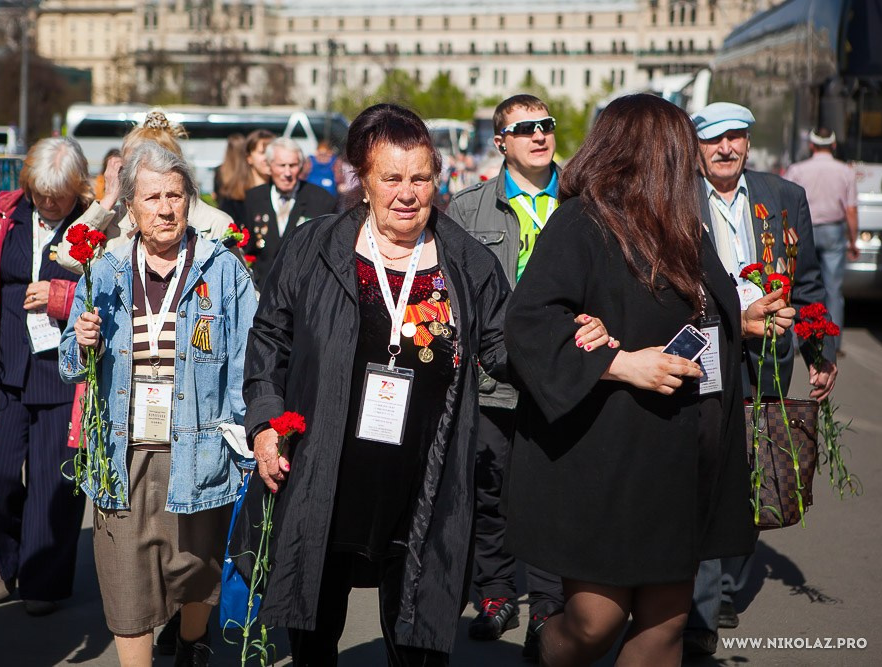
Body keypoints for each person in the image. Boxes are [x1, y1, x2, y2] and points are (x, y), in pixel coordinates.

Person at [230, 103, 612, 665]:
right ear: (363, 181)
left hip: (424, 478)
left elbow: (504, 348)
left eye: (420, 178)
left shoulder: (466, 261)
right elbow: (270, 341)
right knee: (313, 630)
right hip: (325, 467)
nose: (407, 193)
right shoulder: (316, 248)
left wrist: (567, 340)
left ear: (437, 179)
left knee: (417, 638)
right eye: (391, 178)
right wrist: (265, 425)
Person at [503, 94, 795, 666]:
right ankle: (543, 651)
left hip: (684, 454)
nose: (692, 157)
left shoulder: (682, 223)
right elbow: (529, 324)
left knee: (665, 626)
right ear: (650, 152)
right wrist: (621, 364)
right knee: (594, 623)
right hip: (607, 456)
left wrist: (743, 319)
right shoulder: (581, 223)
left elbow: (687, 314)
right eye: (680, 146)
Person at [59, 141, 257, 667]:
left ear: (191, 199)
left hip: (198, 448)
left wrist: (250, 438)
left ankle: (191, 643)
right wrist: (81, 341)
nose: (165, 208)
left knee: (197, 570)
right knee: (124, 577)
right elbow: (69, 365)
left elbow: (247, 362)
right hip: (120, 452)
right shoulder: (102, 273)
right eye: (152, 197)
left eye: (175, 195)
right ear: (130, 206)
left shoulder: (224, 271)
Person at [685, 102, 837, 656]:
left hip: (769, 352)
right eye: (713, 140)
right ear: (696, 147)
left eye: (735, 138)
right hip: (705, 348)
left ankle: (726, 581)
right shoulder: (679, 196)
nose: (725, 149)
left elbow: (811, 285)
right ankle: (700, 608)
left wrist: (821, 351)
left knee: (755, 464)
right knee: (707, 464)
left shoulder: (783, 197)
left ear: (748, 143)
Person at [447, 94, 568, 660]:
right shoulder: (467, 210)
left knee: (550, 491)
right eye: (525, 129)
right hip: (490, 380)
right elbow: (447, 294)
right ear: (501, 142)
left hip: (564, 378)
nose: (540, 136)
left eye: (546, 126)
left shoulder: (582, 203)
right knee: (488, 490)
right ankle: (495, 593)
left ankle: (549, 602)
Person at [0, 137, 91, 617]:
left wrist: (61, 295)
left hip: (64, 371)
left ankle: (43, 581)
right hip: (6, 365)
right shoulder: (2, 213)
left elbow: (111, 288)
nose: (49, 201)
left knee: (54, 483)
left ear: (76, 187)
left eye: (58, 193)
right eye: (40, 191)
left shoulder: (94, 225)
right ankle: (13, 556)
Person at [55, 111, 234, 275]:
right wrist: (107, 200)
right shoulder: (115, 220)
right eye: (128, 168)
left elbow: (240, 291)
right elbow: (68, 256)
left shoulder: (214, 223)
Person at [784, 127, 858, 352]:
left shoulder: (797, 170)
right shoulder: (846, 171)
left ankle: (796, 341)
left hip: (803, 230)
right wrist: (853, 241)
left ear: (812, 145)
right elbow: (851, 210)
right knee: (832, 288)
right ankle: (831, 343)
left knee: (798, 285)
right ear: (834, 145)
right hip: (834, 232)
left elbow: (785, 203)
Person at [241, 137, 338, 286]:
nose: (287, 173)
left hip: (303, 290)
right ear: (269, 166)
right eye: (281, 165)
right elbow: (249, 248)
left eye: (292, 165)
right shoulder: (254, 198)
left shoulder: (321, 200)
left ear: (301, 166)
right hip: (262, 289)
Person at [213, 133, 252, 221]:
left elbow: (215, 195)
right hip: (246, 217)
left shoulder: (220, 171)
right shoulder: (249, 171)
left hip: (225, 217)